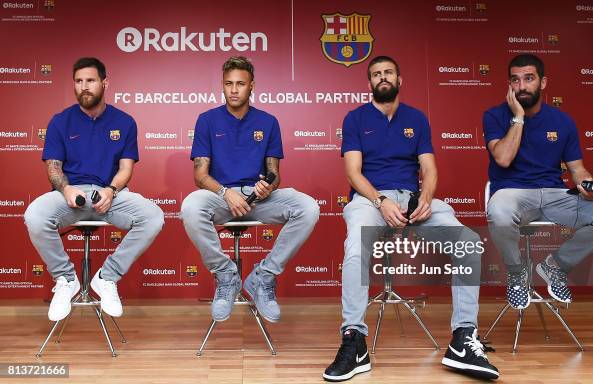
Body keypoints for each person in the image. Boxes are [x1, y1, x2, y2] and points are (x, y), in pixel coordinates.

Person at [323, 56, 499, 381]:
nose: (382, 78)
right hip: (369, 199)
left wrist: (427, 198)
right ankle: (354, 340)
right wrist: (380, 201)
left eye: (388, 72)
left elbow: (429, 168)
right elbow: (353, 172)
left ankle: (463, 338)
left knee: (470, 243)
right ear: (369, 83)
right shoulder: (355, 118)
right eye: (376, 74)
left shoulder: (416, 119)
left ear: (399, 80)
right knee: (355, 249)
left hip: (413, 199)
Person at [24, 57, 164, 321]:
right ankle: (66, 280)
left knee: (153, 216)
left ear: (104, 83)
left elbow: (125, 169)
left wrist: (111, 190)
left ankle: (107, 277)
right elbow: (54, 168)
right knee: (35, 215)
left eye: (90, 80)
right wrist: (66, 190)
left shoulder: (124, 121)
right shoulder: (60, 121)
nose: (84, 87)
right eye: (78, 81)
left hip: (109, 195)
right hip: (70, 195)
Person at [181, 56, 319, 324]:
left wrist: (268, 186)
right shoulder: (207, 120)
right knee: (190, 206)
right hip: (221, 198)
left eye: (240, 84)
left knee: (308, 207)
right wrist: (225, 193)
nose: (234, 90)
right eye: (228, 84)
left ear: (251, 86)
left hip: (257, 199)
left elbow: (275, 173)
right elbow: (200, 175)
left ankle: (263, 276)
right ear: (222, 85)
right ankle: (226, 276)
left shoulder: (268, 121)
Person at [484, 54, 593, 309]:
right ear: (509, 84)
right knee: (498, 210)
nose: (521, 86)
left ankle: (555, 266)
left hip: (555, 193)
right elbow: (503, 158)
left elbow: (577, 169)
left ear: (543, 83)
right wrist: (518, 117)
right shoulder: (494, 115)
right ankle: (517, 272)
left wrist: (586, 184)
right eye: (515, 80)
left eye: (529, 79)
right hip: (513, 193)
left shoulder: (562, 121)